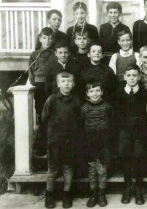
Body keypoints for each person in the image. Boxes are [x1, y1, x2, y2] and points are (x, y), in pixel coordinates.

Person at [42, 70, 81, 208]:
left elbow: (79, 120)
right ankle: (49, 194)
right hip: (54, 141)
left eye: (69, 81)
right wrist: (48, 138)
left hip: (70, 140)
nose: (66, 84)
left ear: (73, 84)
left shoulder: (76, 100)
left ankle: (67, 194)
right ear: (58, 84)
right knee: (52, 168)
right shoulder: (51, 100)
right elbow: (44, 119)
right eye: (63, 81)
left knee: (68, 167)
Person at [114, 65, 147, 205]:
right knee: (124, 154)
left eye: (135, 75)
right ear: (124, 77)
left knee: (139, 155)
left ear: (139, 77)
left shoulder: (145, 94)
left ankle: (139, 186)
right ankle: (128, 185)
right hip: (124, 131)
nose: (132, 78)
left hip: (140, 132)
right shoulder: (118, 94)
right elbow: (116, 114)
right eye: (129, 75)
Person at [81, 81, 114, 207]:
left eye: (97, 91)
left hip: (104, 144)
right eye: (91, 91)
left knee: (102, 170)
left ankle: (102, 193)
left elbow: (112, 124)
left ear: (102, 92)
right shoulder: (84, 109)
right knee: (92, 170)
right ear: (87, 94)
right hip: (90, 144)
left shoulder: (107, 107)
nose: (95, 94)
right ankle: (93, 193)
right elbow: (80, 127)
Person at [29, 27, 56, 155]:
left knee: (51, 114)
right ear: (40, 39)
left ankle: (52, 144)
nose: (47, 40)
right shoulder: (35, 54)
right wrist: (35, 83)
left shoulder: (55, 53)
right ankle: (41, 145)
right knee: (41, 114)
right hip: (39, 86)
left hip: (51, 85)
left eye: (50, 38)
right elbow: (31, 72)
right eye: (45, 38)